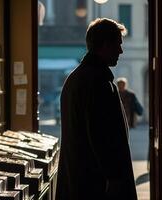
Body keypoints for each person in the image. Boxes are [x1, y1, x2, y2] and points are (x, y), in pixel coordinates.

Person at [56, 18, 138, 200]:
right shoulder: (98, 82)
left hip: (80, 181)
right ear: (105, 45)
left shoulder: (77, 78)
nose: (121, 50)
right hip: (96, 185)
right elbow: (102, 136)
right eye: (118, 44)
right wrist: (114, 178)